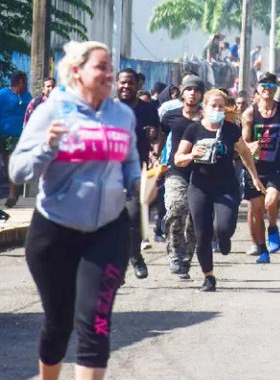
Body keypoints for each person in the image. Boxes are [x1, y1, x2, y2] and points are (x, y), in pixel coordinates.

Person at [9, 41, 140, 379]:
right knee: (58, 323)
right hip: (55, 231)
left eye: (111, 67)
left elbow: (129, 162)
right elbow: (18, 171)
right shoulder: (52, 111)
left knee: (96, 320)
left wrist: (140, 183)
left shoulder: (122, 115)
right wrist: (47, 146)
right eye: (102, 67)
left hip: (109, 230)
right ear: (77, 71)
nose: (110, 74)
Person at [175, 89, 264, 291]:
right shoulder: (193, 130)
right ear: (204, 108)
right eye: (212, 106)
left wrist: (254, 177)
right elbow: (178, 159)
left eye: (220, 107)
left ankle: (224, 238)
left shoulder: (230, 130)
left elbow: (244, 153)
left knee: (223, 227)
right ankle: (209, 277)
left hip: (226, 187)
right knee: (202, 234)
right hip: (199, 187)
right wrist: (191, 155)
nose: (216, 109)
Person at [242, 72, 280, 263]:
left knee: (271, 201)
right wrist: (249, 146)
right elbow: (243, 141)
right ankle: (263, 251)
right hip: (255, 167)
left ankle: (273, 226)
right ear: (258, 89)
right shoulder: (249, 113)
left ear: (275, 89)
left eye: (271, 85)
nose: (267, 88)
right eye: (263, 85)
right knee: (257, 210)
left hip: (277, 165)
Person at [159, 74, 205, 279]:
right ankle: (175, 256)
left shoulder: (208, 118)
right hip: (176, 171)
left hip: (202, 173)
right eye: (189, 89)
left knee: (195, 218)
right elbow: (159, 137)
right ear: (181, 91)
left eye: (196, 90)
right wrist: (154, 155)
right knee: (177, 208)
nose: (192, 93)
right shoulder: (170, 116)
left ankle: (186, 258)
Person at [116, 68, 160, 280]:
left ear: (137, 86)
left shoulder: (148, 109)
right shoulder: (108, 109)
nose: (126, 86)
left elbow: (157, 134)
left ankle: (136, 257)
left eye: (130, 83)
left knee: (134, 217)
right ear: (116, 84)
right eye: (122, 82)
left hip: (136, 172)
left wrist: (154, 139)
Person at [0, 71, 32, 207]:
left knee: (12, 163)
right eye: (25, 81)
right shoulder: (3, 95)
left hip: (18, 136)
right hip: (2, 134)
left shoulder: (27, 96)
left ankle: (12, 194)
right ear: (20, 82)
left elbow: (31, 112)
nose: (27, 84)